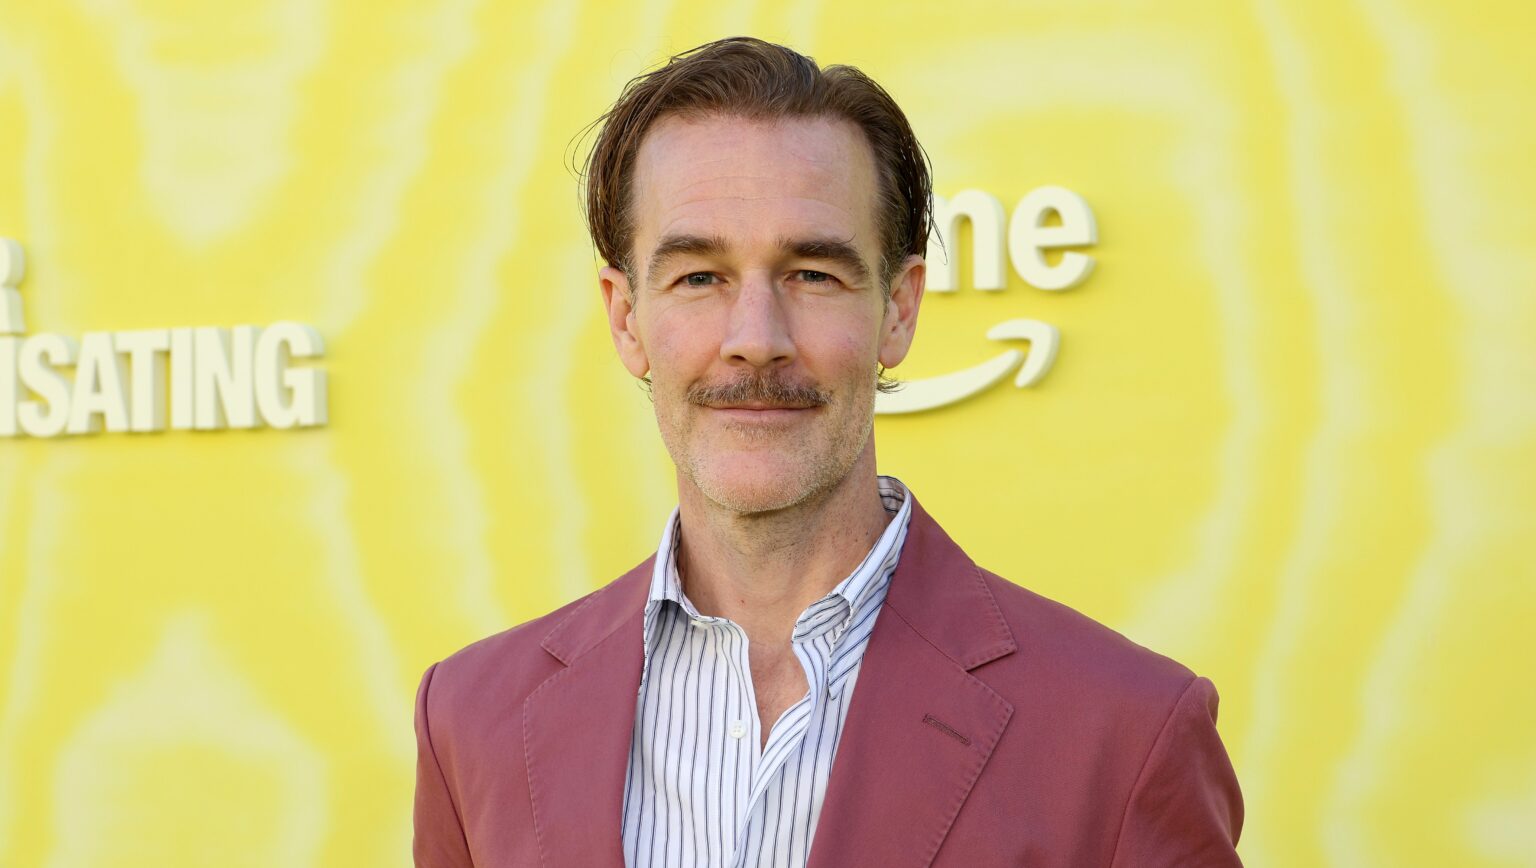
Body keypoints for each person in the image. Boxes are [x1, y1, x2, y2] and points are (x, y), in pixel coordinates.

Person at [412, 36, 1244, 868]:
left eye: (812, 274)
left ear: (899, 310)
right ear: (626, 317)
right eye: (699, 277)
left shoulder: (1125, 736)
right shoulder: (471, 722)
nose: (756, 338)